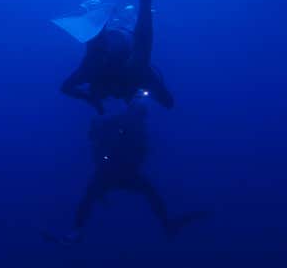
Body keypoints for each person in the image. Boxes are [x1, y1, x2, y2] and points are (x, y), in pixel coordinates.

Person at [44, 99, 207, 245]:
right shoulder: (120, 122)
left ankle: (77, 231)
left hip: (121, 172)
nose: (141, 118)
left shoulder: (136, 128)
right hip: (112, 171)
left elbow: (100, 138)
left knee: (94, 197)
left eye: (141, 115)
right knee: (93, 197)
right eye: (139, 114)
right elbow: (96, 135)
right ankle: (76, 231)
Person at [60, 0, 174, 114]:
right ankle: (107, 17)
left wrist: (92, 101)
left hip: (121, 44)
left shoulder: (129, 73)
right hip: (117, 42)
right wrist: (91, 100)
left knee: (139, 58)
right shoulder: (93, 69)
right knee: (135, 59)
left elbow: (143, 40)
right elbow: (65, 87)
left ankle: (112, 15)